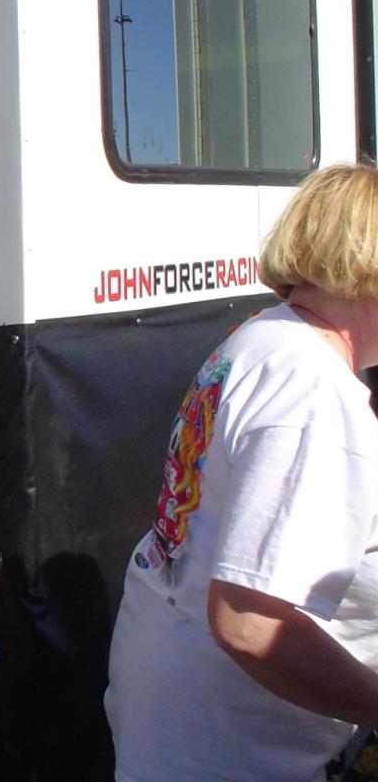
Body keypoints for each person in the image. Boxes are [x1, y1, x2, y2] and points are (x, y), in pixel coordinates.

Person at [105, 163, 378, 781]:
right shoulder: (311, 392)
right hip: (234, 751)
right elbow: (250, 623)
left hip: (179, 721)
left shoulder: (266, 340)